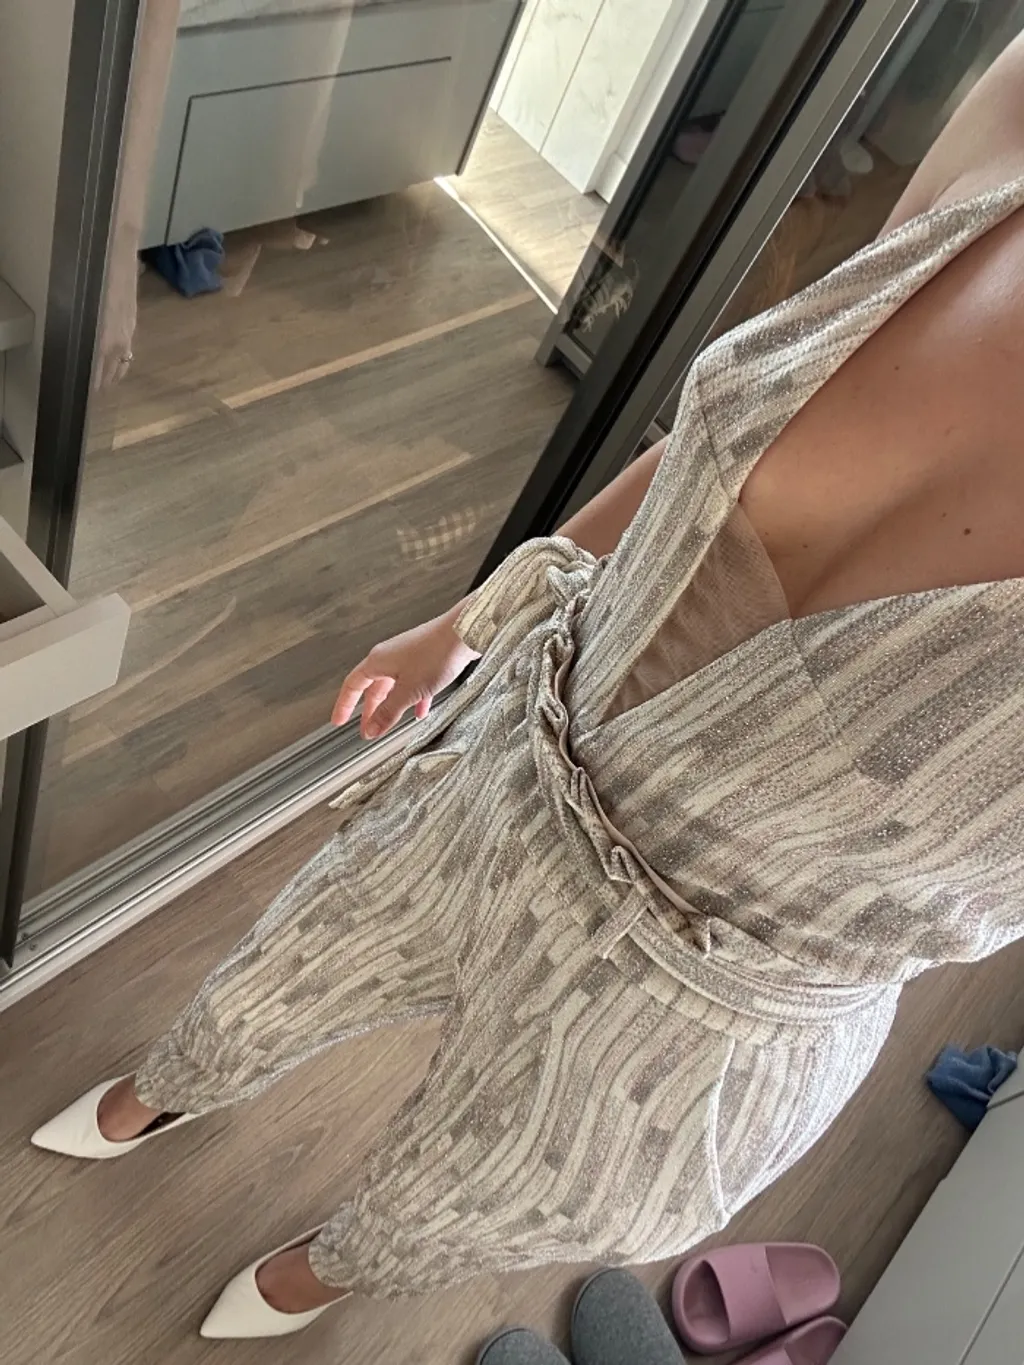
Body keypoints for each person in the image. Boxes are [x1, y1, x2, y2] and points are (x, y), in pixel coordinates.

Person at [31, 32, 1024, 1342]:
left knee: (479, 1193)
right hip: (515, 768)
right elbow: (720, 444)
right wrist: (465, 619)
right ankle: (167, 1090)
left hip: (705, 1016)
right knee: (292, 964)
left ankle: (323, 1272)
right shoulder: (1014, 103)